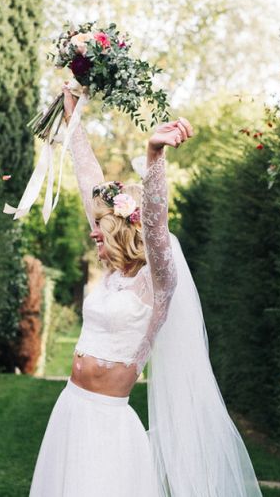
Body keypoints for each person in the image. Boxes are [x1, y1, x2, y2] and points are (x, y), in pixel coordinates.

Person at [29, 87, 261, 496]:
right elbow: (89, 179)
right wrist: (73, 116)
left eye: (100, 228)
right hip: (71, 410)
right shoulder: (114, 274)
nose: (92, 232)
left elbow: (154, 221)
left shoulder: (156, 282)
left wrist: (154, 156)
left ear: (121, 228)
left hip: (110, 422)